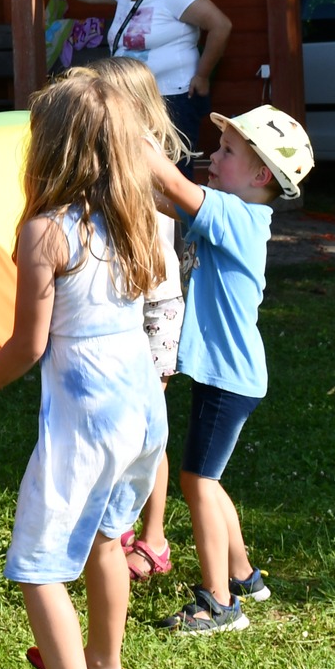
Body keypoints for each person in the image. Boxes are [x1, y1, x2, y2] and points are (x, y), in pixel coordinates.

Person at [0, 71, 169, 669]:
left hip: (87, 424)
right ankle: (104, 663)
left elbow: (28, 344)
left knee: (38, 567)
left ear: (51, 147)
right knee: (105, 537)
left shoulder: (46, 231)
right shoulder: (136, 217)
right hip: (142, 412)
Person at [144, 104, 313, 635]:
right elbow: (167, 200)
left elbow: (175, 184)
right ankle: (243, 576)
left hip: (227, 377)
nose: (213, 157)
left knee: (197, 481)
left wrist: (133, 140)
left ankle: (218, 603)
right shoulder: (232, 213)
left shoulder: (239, 217)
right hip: (226, 374)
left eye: (227, 151)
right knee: (208, 479)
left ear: (261, 175)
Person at [88, 56, 187, 586]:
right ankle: (118, 525)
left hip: (156, 306)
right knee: (117, 421)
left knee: (148, 425)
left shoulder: (148, 159)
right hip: (123, 302)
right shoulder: (103, 157)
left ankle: (155, 536)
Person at [34, 0, 232, 175]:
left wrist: (202, 75)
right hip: (132, 96)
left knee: (174, 171)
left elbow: (221, 25)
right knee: (134, 169)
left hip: (172, 97)